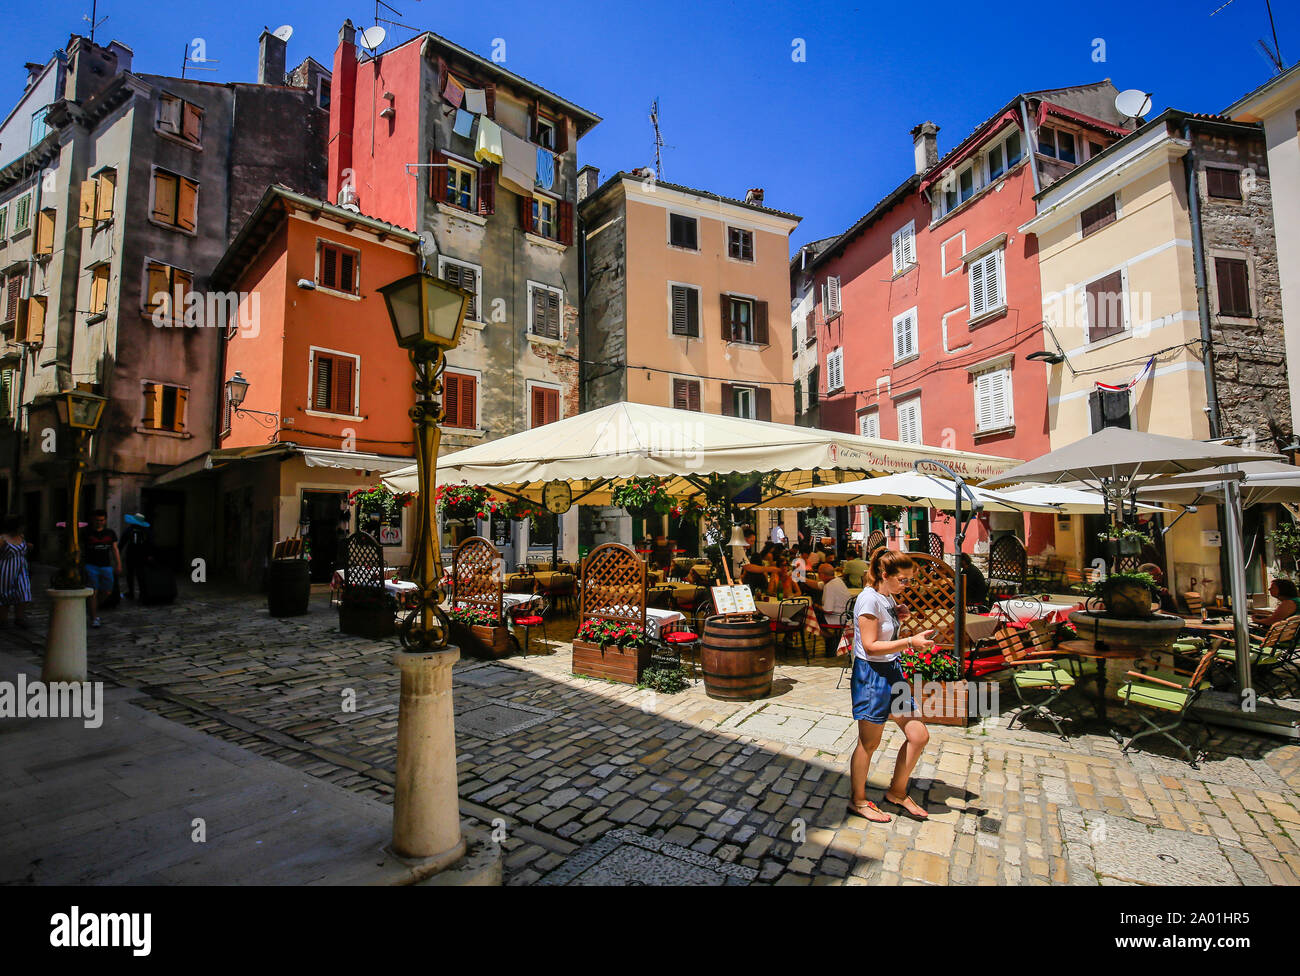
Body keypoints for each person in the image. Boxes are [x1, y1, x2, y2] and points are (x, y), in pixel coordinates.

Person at [848, 549, 935, 824]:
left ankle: (897, 792)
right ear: (884, 575)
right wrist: (910, 642)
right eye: (904, 579)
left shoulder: (886, 596)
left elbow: (882, 631)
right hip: (873, 675)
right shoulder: (868, 600)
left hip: (892, 671)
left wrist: (897, 614)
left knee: (918, 735)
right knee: (869, 743)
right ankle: (858, 800)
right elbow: (871, 647)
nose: (907, 585)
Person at [82, 509, 122, 628]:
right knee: (94, 591)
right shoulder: (87, 533)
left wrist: (118, 563)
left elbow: (115, 549)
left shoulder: (110, 533)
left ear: (105, 520)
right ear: (93, 520)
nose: (99, 522)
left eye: (101, 520)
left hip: (106, 566)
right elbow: (81, 548)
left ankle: (92, 608)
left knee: (107, 591)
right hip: (91, 565)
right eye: (97, 520)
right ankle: (94, 617)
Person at [0, 515, 32, 628]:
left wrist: (28, 546)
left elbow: (22, 548)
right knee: (4, 594)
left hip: (21, 569)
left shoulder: (21, 537)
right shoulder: (2, 539)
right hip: (5, 570)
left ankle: (20, 617)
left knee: (24, 591)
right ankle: (3, 619)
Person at [120, 514, 153, 600]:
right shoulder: (146, 530)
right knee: (141, 575)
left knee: (130, 575)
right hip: (142, 556)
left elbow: (122, 542)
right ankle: (143, 594)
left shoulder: (129, 530)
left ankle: (131, 593)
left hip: (131, 555)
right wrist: (150, 554)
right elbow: (151, 543)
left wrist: (118, 553)